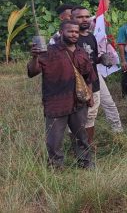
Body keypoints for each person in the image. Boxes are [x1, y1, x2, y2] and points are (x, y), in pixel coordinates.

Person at [28, 21, 96, 169]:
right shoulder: (48, 51)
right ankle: (56, 168)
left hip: (78, 103)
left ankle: (86, 164)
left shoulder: (81, 52)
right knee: (54, 140)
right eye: (70, 31)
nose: (74, 34)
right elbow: (33, 72)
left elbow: (88, 76)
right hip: (56, 103)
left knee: (81, 137)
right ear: (61, 32)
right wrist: (35, 57)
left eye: (76, 32)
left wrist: (89, 95)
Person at [71, 5, 123, 142]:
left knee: (91, 115)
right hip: (77, 83)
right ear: (72, 18)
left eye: (87, 16)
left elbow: (91, 60)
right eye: (80, 17)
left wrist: (102, 59)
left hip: (94, 80)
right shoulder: (70, 38)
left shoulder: (91, 37)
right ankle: (78, 147)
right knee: (77, 116)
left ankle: (88, 145)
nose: (84, 19)